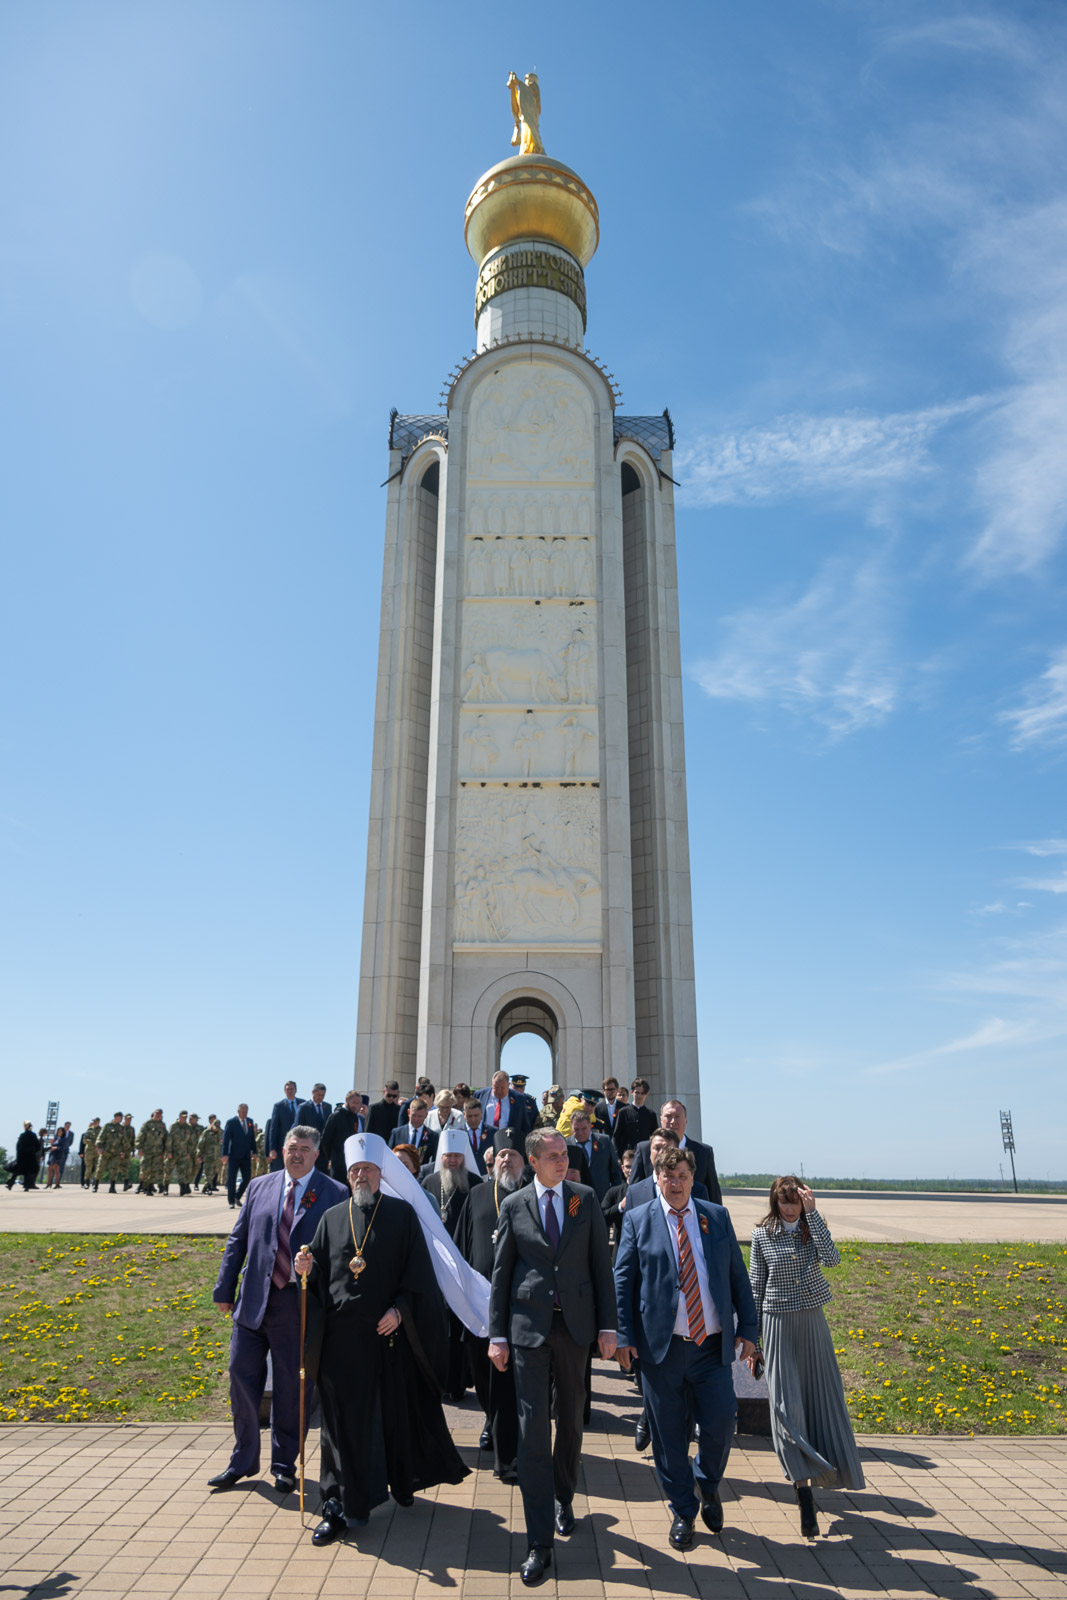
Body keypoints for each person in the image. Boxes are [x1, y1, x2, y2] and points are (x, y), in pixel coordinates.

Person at [295, 1133, 471, 1542]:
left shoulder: (402, 1215)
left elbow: (419, 1277)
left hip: (388, 1340)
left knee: (392, 1418)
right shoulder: (331, 1218)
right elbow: (317, 1274)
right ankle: (339, 1505)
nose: (361, 1176)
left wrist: (400, 1310)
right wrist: (305, 1268)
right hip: (340, 1344)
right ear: (348, 1175)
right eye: (355, 1170)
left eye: (368, 1170)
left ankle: (401, 1480)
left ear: (380, 1175)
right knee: (339, 1427)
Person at [488, 1129, 617, 1587]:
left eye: (565, 1155)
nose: (562, 1162)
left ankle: (564, 1495)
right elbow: (502, 1273)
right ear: (533, 1161)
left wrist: (608, 1326)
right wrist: (497, 1335)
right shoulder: (514, 1205)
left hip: (575, 1328)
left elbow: (601, 1266)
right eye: (554, 1156)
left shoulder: (584, 1199)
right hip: (528, 1329)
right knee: (533, 1430)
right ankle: (538, 1540)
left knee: (572, 1420)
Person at [615, 1145, 757, 1550]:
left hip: (711, 1348)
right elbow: (622, 1281)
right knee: (668, 1435)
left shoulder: (716, 1217)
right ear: (657, 1178)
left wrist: (749, 1328)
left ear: (694, 1179)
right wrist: (623, 1336)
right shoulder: (638, 1219)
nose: (676, 1184)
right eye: (668, 1176)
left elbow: (737, 1275)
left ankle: (707, 1482)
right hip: (661, 1350)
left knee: (720, 1423)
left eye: (683, 1176)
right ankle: (683, 1509)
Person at [207, 1125, 346, 1493]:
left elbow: (341, 1253)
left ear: (317, 1154)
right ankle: (242, 1460)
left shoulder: (335, 1193)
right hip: (254, 1300)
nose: (296, 1154)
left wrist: (314, 1267)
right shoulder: (259, 1187)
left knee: (291, 1387)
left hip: (297, 1304)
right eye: (291, 1148)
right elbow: (238, 1240)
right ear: (282, 1151)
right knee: (241, 1376)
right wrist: (224, 1288)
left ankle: (284, 1464)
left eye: (304, 1148)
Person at [749, 1178, 864, 1537]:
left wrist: (813, 1216)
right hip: (778, 1323)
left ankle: (828, 1471)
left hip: (812, 1322)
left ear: (803, 1202)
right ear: (775, 1203)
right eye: (783, 1202)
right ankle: (803, 1494)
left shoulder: (812, 1229)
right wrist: (754, 1343)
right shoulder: (761, 1236)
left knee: (822, 1399)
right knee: (786, 1408)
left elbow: (833, 1259)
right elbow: (755, 1289)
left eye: (795, 1202)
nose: (789, 1209)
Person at [454, 1130, 524, 1480]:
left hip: (519, 1306)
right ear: (492, 1161)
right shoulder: (478, 1194)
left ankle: (508, 1455)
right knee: (483, 1376)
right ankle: (492, 1420)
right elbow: (461, 1246)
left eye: (513, 1155)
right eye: (501, 1155)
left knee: (509, 1381)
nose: (506, 1160)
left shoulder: (532, 1195)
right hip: (480, 1305)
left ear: (525, 1162)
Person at [421, 1128, 483, 1399]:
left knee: (460, 1326)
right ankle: (438, 1380)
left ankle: (458, 1382)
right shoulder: (429, 1182)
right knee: (437, 1325)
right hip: (435, 1264)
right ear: (441, 1157)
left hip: (463, 1263)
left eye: (458, 1156)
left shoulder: (476, 1183)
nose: (453, 1160)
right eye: (449, 1156)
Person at [628, 1098, 722, 1203]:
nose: (673, 1121)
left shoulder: (703, 1152)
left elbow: (713, 1195)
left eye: (677, 1117)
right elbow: (634, 1191)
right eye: (668, 1116)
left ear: (686, 1120)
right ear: (661, 1120)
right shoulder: (645, 1149)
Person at [566, 1108, 622, 1202]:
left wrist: (616, 1196)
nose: (580, 1133)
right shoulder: (565, 1146)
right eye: (576, 1129)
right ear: (571, 1128)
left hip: (603, 1198)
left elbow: (615, 1171)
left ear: (590, 1126)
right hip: (575, 1199)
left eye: (584, 1129)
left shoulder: (604, 1142)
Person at [320, 1092, 368, 1182]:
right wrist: (332, 1157)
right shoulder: (336, 1116)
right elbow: (325, 1140)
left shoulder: (357, 1118)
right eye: (354, 1103)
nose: (356, 1106)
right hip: (338, 1165)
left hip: (353, 1165)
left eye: (358, 1103)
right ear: (347, 1100)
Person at [477, 1069, 532, 1141]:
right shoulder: (480, 1095)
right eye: (496, 1087)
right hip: (485, 1139)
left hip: (509, 1141)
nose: (499, 1091)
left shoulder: (518, 1098)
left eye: (502, 1088)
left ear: (508, 1085)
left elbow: (525, 1125)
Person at [600, 1147, 635, 1260]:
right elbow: (602, 1217)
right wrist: (620, 1207)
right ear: (622, 1168)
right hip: (620, 1246)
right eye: (627, 1167)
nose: (630, 1170)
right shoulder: (614, 1192)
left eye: (633, 1166)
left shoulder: (647, 1189)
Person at [612, 1078, 657, 1158]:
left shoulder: (651, 1114)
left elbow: (655, 1136)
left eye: (642, 1093)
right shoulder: (623, 1112)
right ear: (632, 1092)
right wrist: (618, 1156)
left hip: (645, 1155)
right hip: (627, 1156)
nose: (639, 1096)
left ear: (646, 1094)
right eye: (637, 1092)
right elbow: (616, 1136)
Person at [222, 1105, 256, 1209]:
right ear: (238, 1111)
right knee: (232, 1179)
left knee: (247, 1178)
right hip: (234, 1155)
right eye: (242, 1112)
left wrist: (254, 1151)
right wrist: (224, 1154)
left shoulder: (250, 1121)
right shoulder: (231, 1122)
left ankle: (237, 1195)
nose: (244, 1114)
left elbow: (252, 1138)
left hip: (246, 1156)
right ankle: (231, 1201)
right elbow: (226, 1139)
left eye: (246, 1112)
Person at [388, 1098, 438, 1166]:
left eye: (420, 1116)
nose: (416, 1119)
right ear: (408, 1112)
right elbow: (389, 1156)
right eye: (413, 1115)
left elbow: (434, 1162)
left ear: (426, 1115)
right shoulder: (397, 1133)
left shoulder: (432, 1136)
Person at [267, 1081, 301, 1171]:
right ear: (284, 1091)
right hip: (283, 1144)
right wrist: (272, 1149)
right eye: (287, 1089)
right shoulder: (278, 1106)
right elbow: (274, 1128)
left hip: (300, 1143)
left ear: (296, 1090)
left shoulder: (302, 1104)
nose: (290, 1091)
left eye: (292, 1089)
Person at [297, 1084, 333, 1167]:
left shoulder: (327, 1107)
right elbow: (298, 1128)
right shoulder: (304, 1107)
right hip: (309, 1146)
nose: (321, 1097)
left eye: (323, 1095)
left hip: (323, 1150)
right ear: (313, 1092)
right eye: (319, 1095)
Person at [94, 1113, 128, 1194]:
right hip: (106, 1151)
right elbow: (101, 1137)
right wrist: (99, 1147)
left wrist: (123, 1151)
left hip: (116, 1153)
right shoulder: (107, 1126)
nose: (121, 1119)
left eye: (122, 1118)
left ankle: (112, 1187)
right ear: (116, 1117)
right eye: (120, 1117)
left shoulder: (122, 1128)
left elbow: (124, 1141)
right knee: (100, 1168)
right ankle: (95, 1185)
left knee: (114, 1170)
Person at [137, 1109, 168, 1195]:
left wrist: (166, 1151)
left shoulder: (162, 1125)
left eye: (160, 1114)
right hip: (147, 1151)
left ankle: (149, 1188)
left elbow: (166, 1138)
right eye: (157, 1113)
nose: (158, 1115)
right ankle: (144, 1186)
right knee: (145, 1170)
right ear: (153, 1114)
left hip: (158, 1152)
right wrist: (139, 1148)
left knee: (154, 1170)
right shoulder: (147, 1124)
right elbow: (140, 1135)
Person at [462, 1096, 494, 1175]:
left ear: (481, 1113)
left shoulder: (493, 1132)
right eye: (469, 1116)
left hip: (486, 1175)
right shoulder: (459, 1133)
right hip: (465, 1176)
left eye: (476, 1115)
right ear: (464, 1114)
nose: (473, 1119)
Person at [6, 1122, 41, 1191]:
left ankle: (10, 1184)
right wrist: (33, 1152)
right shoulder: (34, 1135)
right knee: (28, 1172)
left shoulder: (22, 1135)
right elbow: (38, 1146)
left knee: (17, 1170)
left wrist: (19, 1155)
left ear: (25, 1127)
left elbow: (18, 1146)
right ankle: (26, 1187)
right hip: (30, 1156)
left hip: (22, 1156)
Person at [198, 1116, 223, 1194]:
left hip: (217, 1157)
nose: (216, 1129)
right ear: (212, 1125)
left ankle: (205, 1187)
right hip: (208, 1156)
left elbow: (224, 1145)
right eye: (215, 1127)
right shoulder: (206, 1132)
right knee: (208, 1172)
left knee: (214, 1173)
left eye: (217, 1127)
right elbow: (200, 1144)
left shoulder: (221, 1133)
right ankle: (208, 1188)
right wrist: (199, 1155)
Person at [79, 1119, 101, 1187]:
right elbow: (84, 1140)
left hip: (98, 1151)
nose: (95, 1123)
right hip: (89, 1151)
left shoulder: (102, 1130)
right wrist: (92, 1142)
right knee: (88, 1167)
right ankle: (87, 1182)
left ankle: (95, 1181)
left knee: (98, 1167)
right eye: (94, 1122)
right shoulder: (89, 1130)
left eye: (96, 1122)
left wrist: (99, 1144)